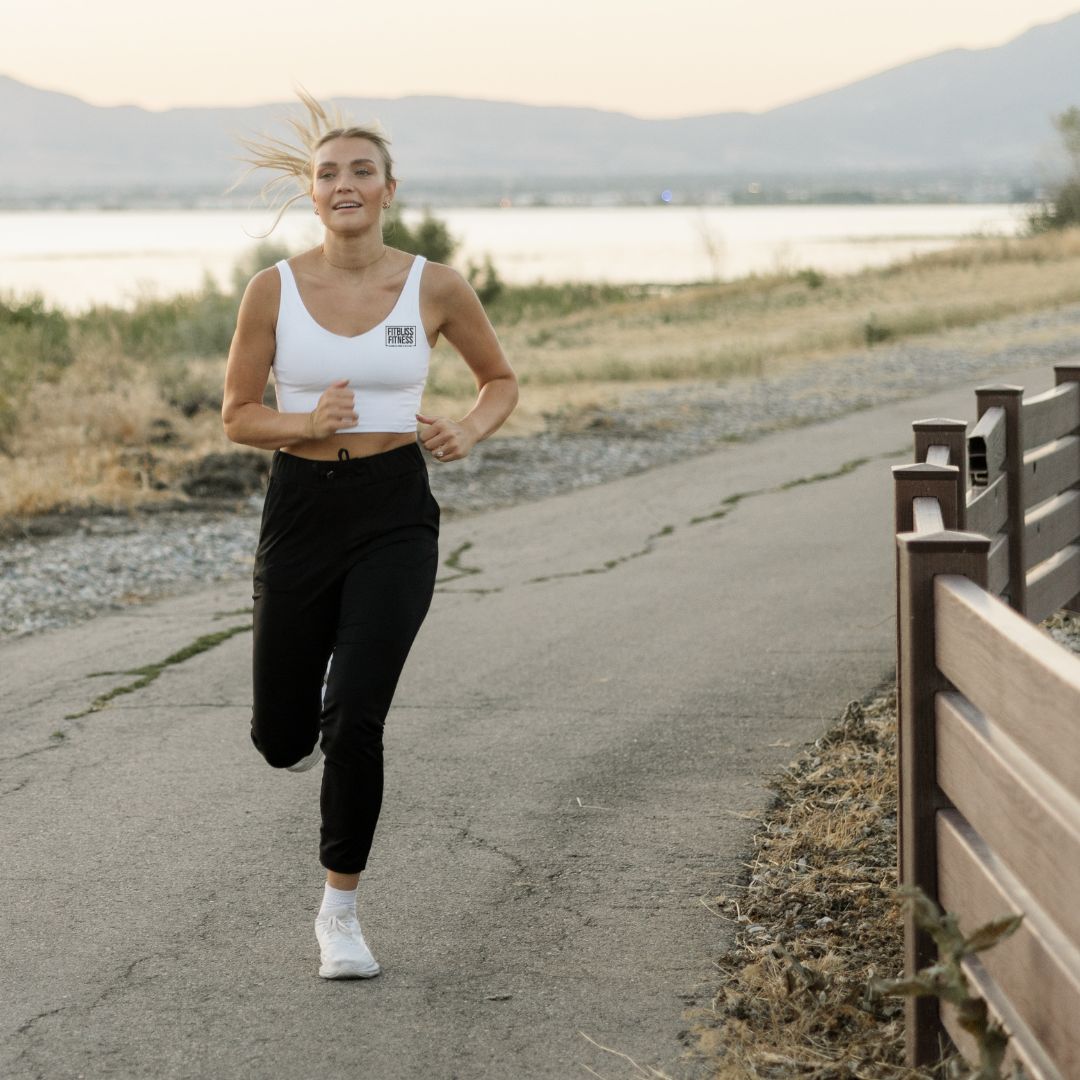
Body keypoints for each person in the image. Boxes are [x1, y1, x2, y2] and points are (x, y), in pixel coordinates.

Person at [221, 93, 518, 979]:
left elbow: (499, 380)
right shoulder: (271, 289)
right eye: (327, 173)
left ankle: (339, 913)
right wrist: (306, 423)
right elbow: (237, 416)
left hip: (395, 511)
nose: (344, 184)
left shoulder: (434, 285)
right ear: (312, 196)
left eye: (360, 170)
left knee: (356, 717)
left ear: (389, 188)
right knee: (284, 737)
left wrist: (470, 427)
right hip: (303, 510)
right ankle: (313, 698)